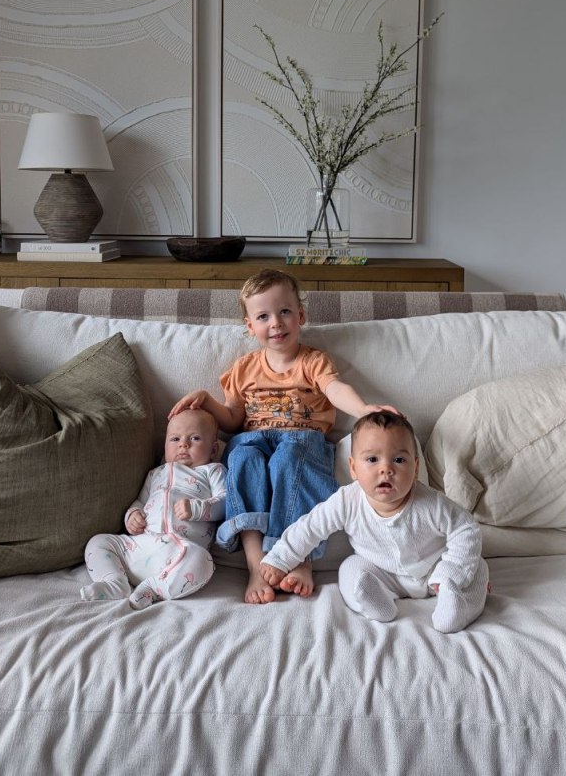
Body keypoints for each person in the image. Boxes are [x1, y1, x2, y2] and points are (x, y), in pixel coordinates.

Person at [169, 268, 397, 605]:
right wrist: (207, 401)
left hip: (302, 438)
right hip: (254, 437)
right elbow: (233, 419)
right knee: (241, 455)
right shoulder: (244, 368)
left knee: (291, 458)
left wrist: (363, 409)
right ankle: (256, 564)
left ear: (300, 316)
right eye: (263, 316)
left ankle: (297, 558)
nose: (276, 323)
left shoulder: (313, 361)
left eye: (285, 311)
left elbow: (335, 389)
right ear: (250, 326)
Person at [260, 411, 489, 633]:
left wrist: (452, 570)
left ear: (415, 467)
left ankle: (455, 607)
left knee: (475, 567)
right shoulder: (346, 501)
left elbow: (466, 529)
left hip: (435, 571)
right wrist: (280, 559)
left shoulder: (431, 503)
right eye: (372, 459)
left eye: (399, 460)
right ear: (353, 468)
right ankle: (373, 601)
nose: (386, 469)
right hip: (383, 574)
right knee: (350, 568)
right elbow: (310, 528)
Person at [80, 408, 226, 610]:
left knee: (203, 561)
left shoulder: (212, 471)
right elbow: (140, 502)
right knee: (98, 542)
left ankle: (152, 589)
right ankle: (115, 582)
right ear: (165, 445)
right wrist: (133, 515)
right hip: (141, 546)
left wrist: (198, 508)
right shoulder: (155, 474)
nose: (183, 444)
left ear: (213, 450)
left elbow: (225, 503)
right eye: (175, 439)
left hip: (181, 552)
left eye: (195, 438)